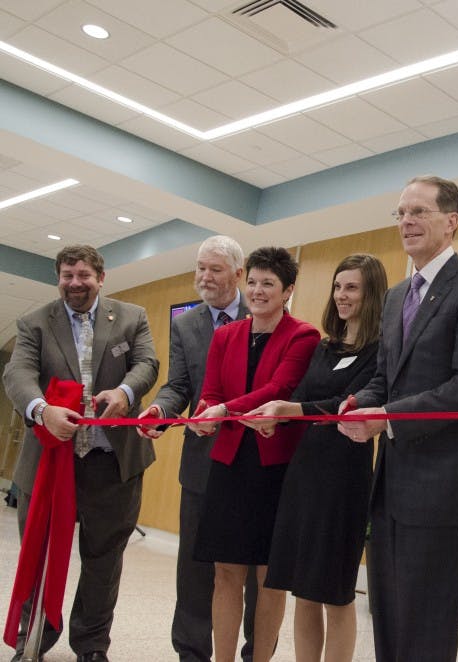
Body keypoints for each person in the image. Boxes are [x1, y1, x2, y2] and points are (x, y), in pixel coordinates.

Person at [338, 176, 458, 662]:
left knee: (426, 629)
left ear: (451, 222)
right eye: (400, 213)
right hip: (389, 486)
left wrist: (385, 416)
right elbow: (386, 379)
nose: (406, 221)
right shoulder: (394, 297)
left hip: (441, 489)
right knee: (388, 621)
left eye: (419, 212)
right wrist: (358, 402)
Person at [3, 244, 159, 662]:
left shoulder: (131, 317)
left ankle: (91, 646)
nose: (75, 283)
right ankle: (32, 639)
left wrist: (127, 393)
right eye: (67, 275)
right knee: (38, 557)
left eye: (83, 275)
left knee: (103, 562)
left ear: (101, 278)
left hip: (113, 464)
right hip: (51, 464)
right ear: (59, 279)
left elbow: (147, 364)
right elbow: (17, 374)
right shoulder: (34, 322)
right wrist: (41, 410)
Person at [243, 254, 388, 662]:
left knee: (335, 593)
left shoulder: (382, 351)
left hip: (345, 477)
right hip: (305, 474)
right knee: (304, 589)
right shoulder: (324, 349)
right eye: (338, 287)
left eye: (352, 288)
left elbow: (343, 404)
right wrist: (279, 418)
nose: (342, 296)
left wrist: (289, 411)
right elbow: (303, 399)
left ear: (371, 293)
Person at [185, 247, 319, 662]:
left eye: (269, 284)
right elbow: (211, 391)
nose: (258, 291)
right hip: (228, 463)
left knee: (268, 578)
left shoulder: (303, 336)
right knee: (225, 572)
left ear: (288, 290)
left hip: (274, 469)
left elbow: (279, 390)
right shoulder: (226, 335)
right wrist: (207, 413)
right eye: (254, 282)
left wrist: (222, 411)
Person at [135, 235, 258, 662]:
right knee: (194, 568)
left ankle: (255, 651)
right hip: (201, 463)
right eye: (200, 268)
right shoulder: (187, 324)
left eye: (215, 270)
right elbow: (179, 386)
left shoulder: (263, 313)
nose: (204, 277)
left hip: (253, 462)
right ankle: (191, 652)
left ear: (239, 274)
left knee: (251, 571)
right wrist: (160, 412)